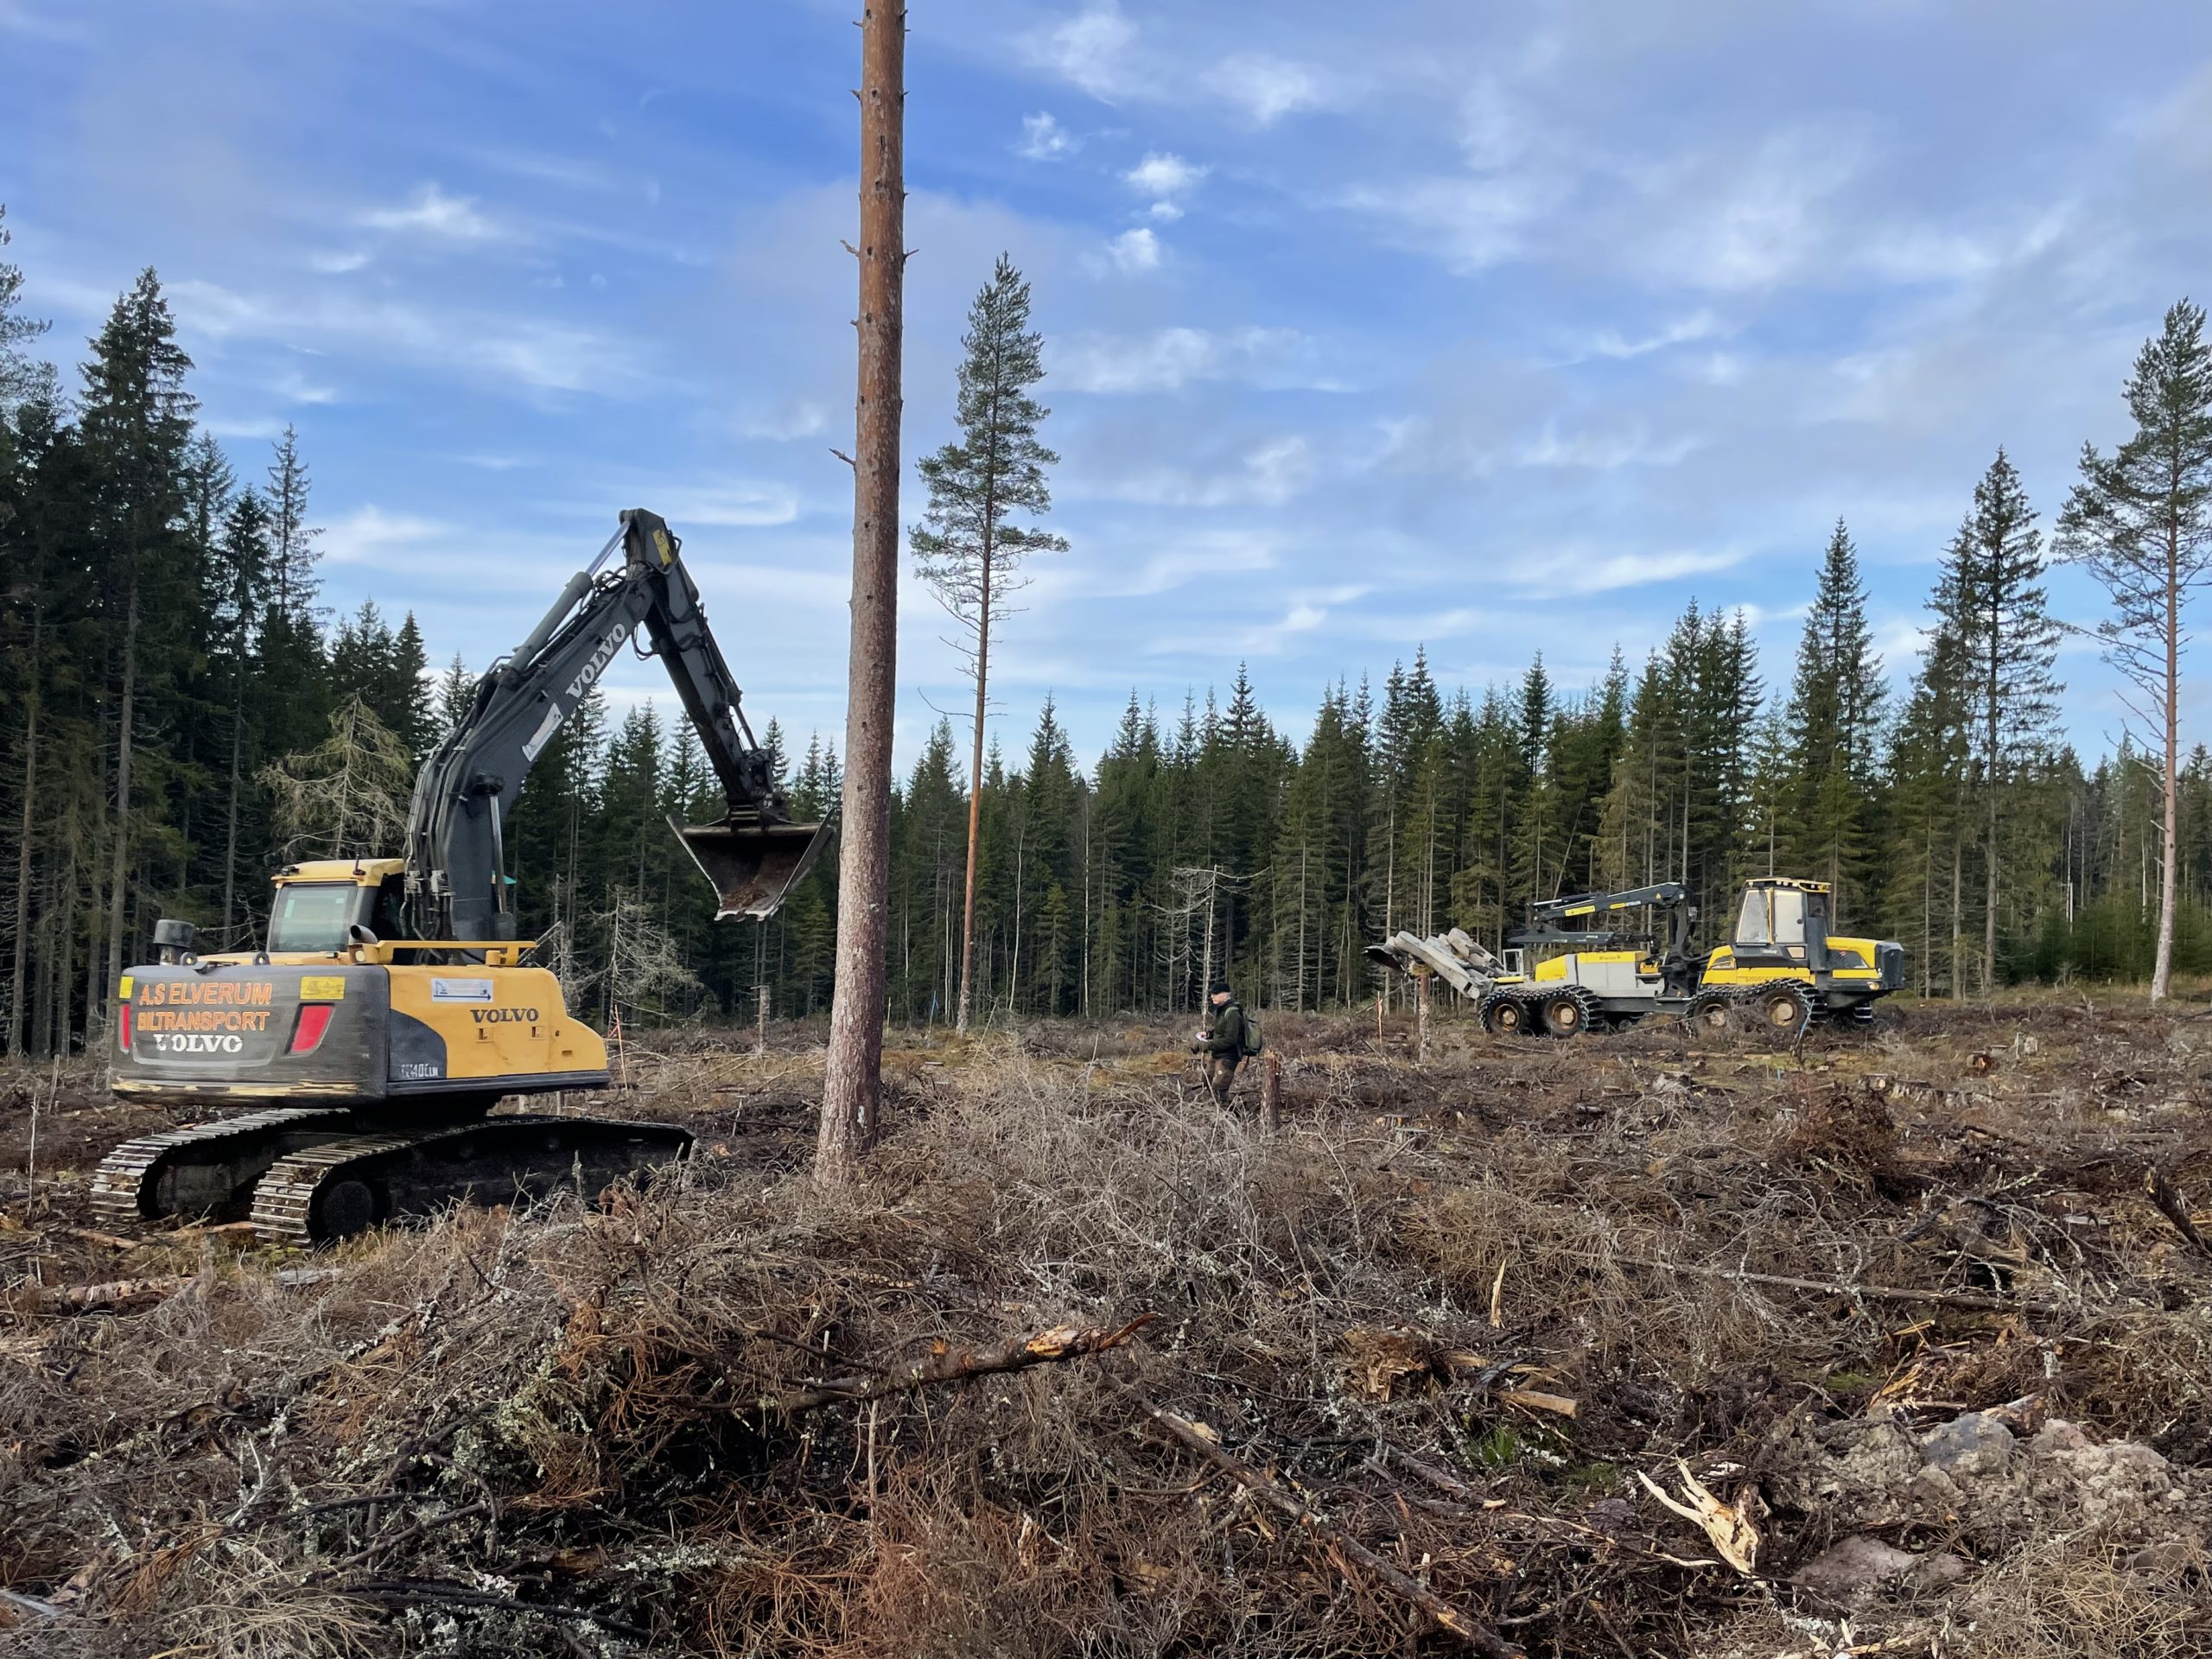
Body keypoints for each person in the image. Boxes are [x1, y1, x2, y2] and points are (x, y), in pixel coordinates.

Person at [1192, 980, 1244, 1106]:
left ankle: (1225, 1117)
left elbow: (1230, 1040)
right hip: (1218, 1054)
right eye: (1211, 994)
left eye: (1215, 993)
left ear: (1225, 994)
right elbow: (1222, 1031)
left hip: (1228, 1057)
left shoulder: (1232, 1013)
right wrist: (1209, 1034)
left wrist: (1206, 1045)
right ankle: (1210, 1111)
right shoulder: (1223, 1010)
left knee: (1219, 1088)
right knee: (1207, 1082)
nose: (1212, 996)